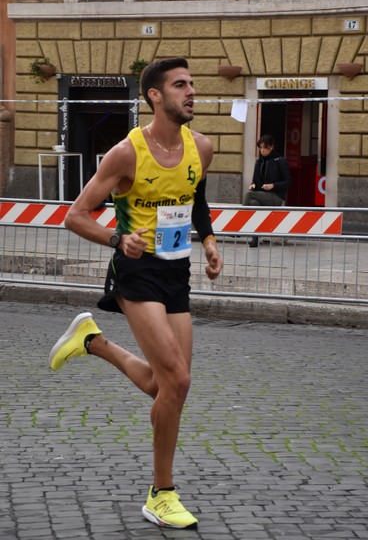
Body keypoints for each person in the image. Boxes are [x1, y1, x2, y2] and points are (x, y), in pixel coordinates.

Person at [48, 57, 223, 529]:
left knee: (164, 386)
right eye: (181, 85)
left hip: (176, 272)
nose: (191, 92)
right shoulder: (126, 153)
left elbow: (196, 200)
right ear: (155, 96)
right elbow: (76, 215)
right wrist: (115, 238)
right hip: (135, 271)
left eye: (192, 83)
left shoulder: (201, 148)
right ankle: (161, 493)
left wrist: (207, 240)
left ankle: (92, 341)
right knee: (179, 382)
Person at [244, 134, 291, 247]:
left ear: (271, 147)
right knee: (253, 203)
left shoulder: (280, 161)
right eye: (260, 148)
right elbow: (254, 181)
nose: (262, 150)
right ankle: (254, 239)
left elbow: (288, 181)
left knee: (250, 195)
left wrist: (273, 186)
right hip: (262, 196)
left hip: (276, 197)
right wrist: (253, 185)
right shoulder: (259, 162)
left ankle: (239, 224)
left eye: (264, 147)